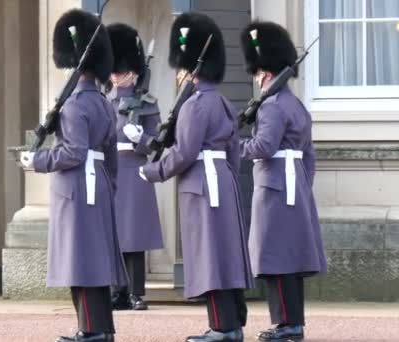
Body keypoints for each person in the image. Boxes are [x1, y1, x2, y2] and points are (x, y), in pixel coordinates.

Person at [140, 12, 254, 342]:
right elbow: (233, 151)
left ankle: (223, 328)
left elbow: (185, 152)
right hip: (222, 180)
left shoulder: (193, 106)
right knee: (225, 252)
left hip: (202, 185)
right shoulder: (221, 102)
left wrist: (153, 171)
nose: (177, 75)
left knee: (210, 254)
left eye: (180, 69)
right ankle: (231, 322)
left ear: (189, 69)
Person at [18, 9, 126, 342]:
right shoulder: (105, 103)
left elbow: (74, 152)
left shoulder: (74, 105)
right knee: (94, 261)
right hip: (98, 185)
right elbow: (110, 155)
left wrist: (37, 160)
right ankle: (100, 328)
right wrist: (110, 185)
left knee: (82, 262)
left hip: (78, 188)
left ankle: (91, 330)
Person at [238, 21, 328, 342]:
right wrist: (302, 186)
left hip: (275, 187)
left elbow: (263, 146)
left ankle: (287, 325)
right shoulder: (295, 104)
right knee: (287, 256)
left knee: (276, 256)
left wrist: (233, 147)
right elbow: (310, 156)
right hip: (294, 186)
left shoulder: (272, 107)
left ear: (263, 72)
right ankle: (291, 323)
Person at [106, 22, 164, 311]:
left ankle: (136, 292)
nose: (116, 75)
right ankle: (118, 291)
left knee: (135, 236)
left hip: (134, 167)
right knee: (114, 235)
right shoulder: (105, 100)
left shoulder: (147, 103)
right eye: (114, 70)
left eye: (120, 69)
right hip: (112, 168)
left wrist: (141, 139)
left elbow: (158, 143)